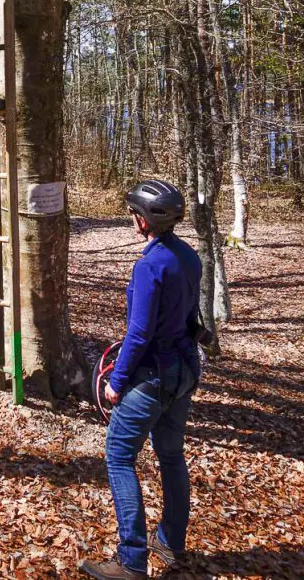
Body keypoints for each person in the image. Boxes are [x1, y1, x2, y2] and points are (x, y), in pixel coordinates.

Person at [80, 180, 203, 580]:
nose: (132, 219)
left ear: (145, 220)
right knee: (170, 455)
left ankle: (131, 561)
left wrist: (116, 381)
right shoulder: (188, 256)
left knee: (118, 456)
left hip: (152, 376)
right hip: (183, 372)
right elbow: (188, 318)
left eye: (135, 213)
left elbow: (138, 333)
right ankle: (170, 542)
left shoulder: (150, 264)